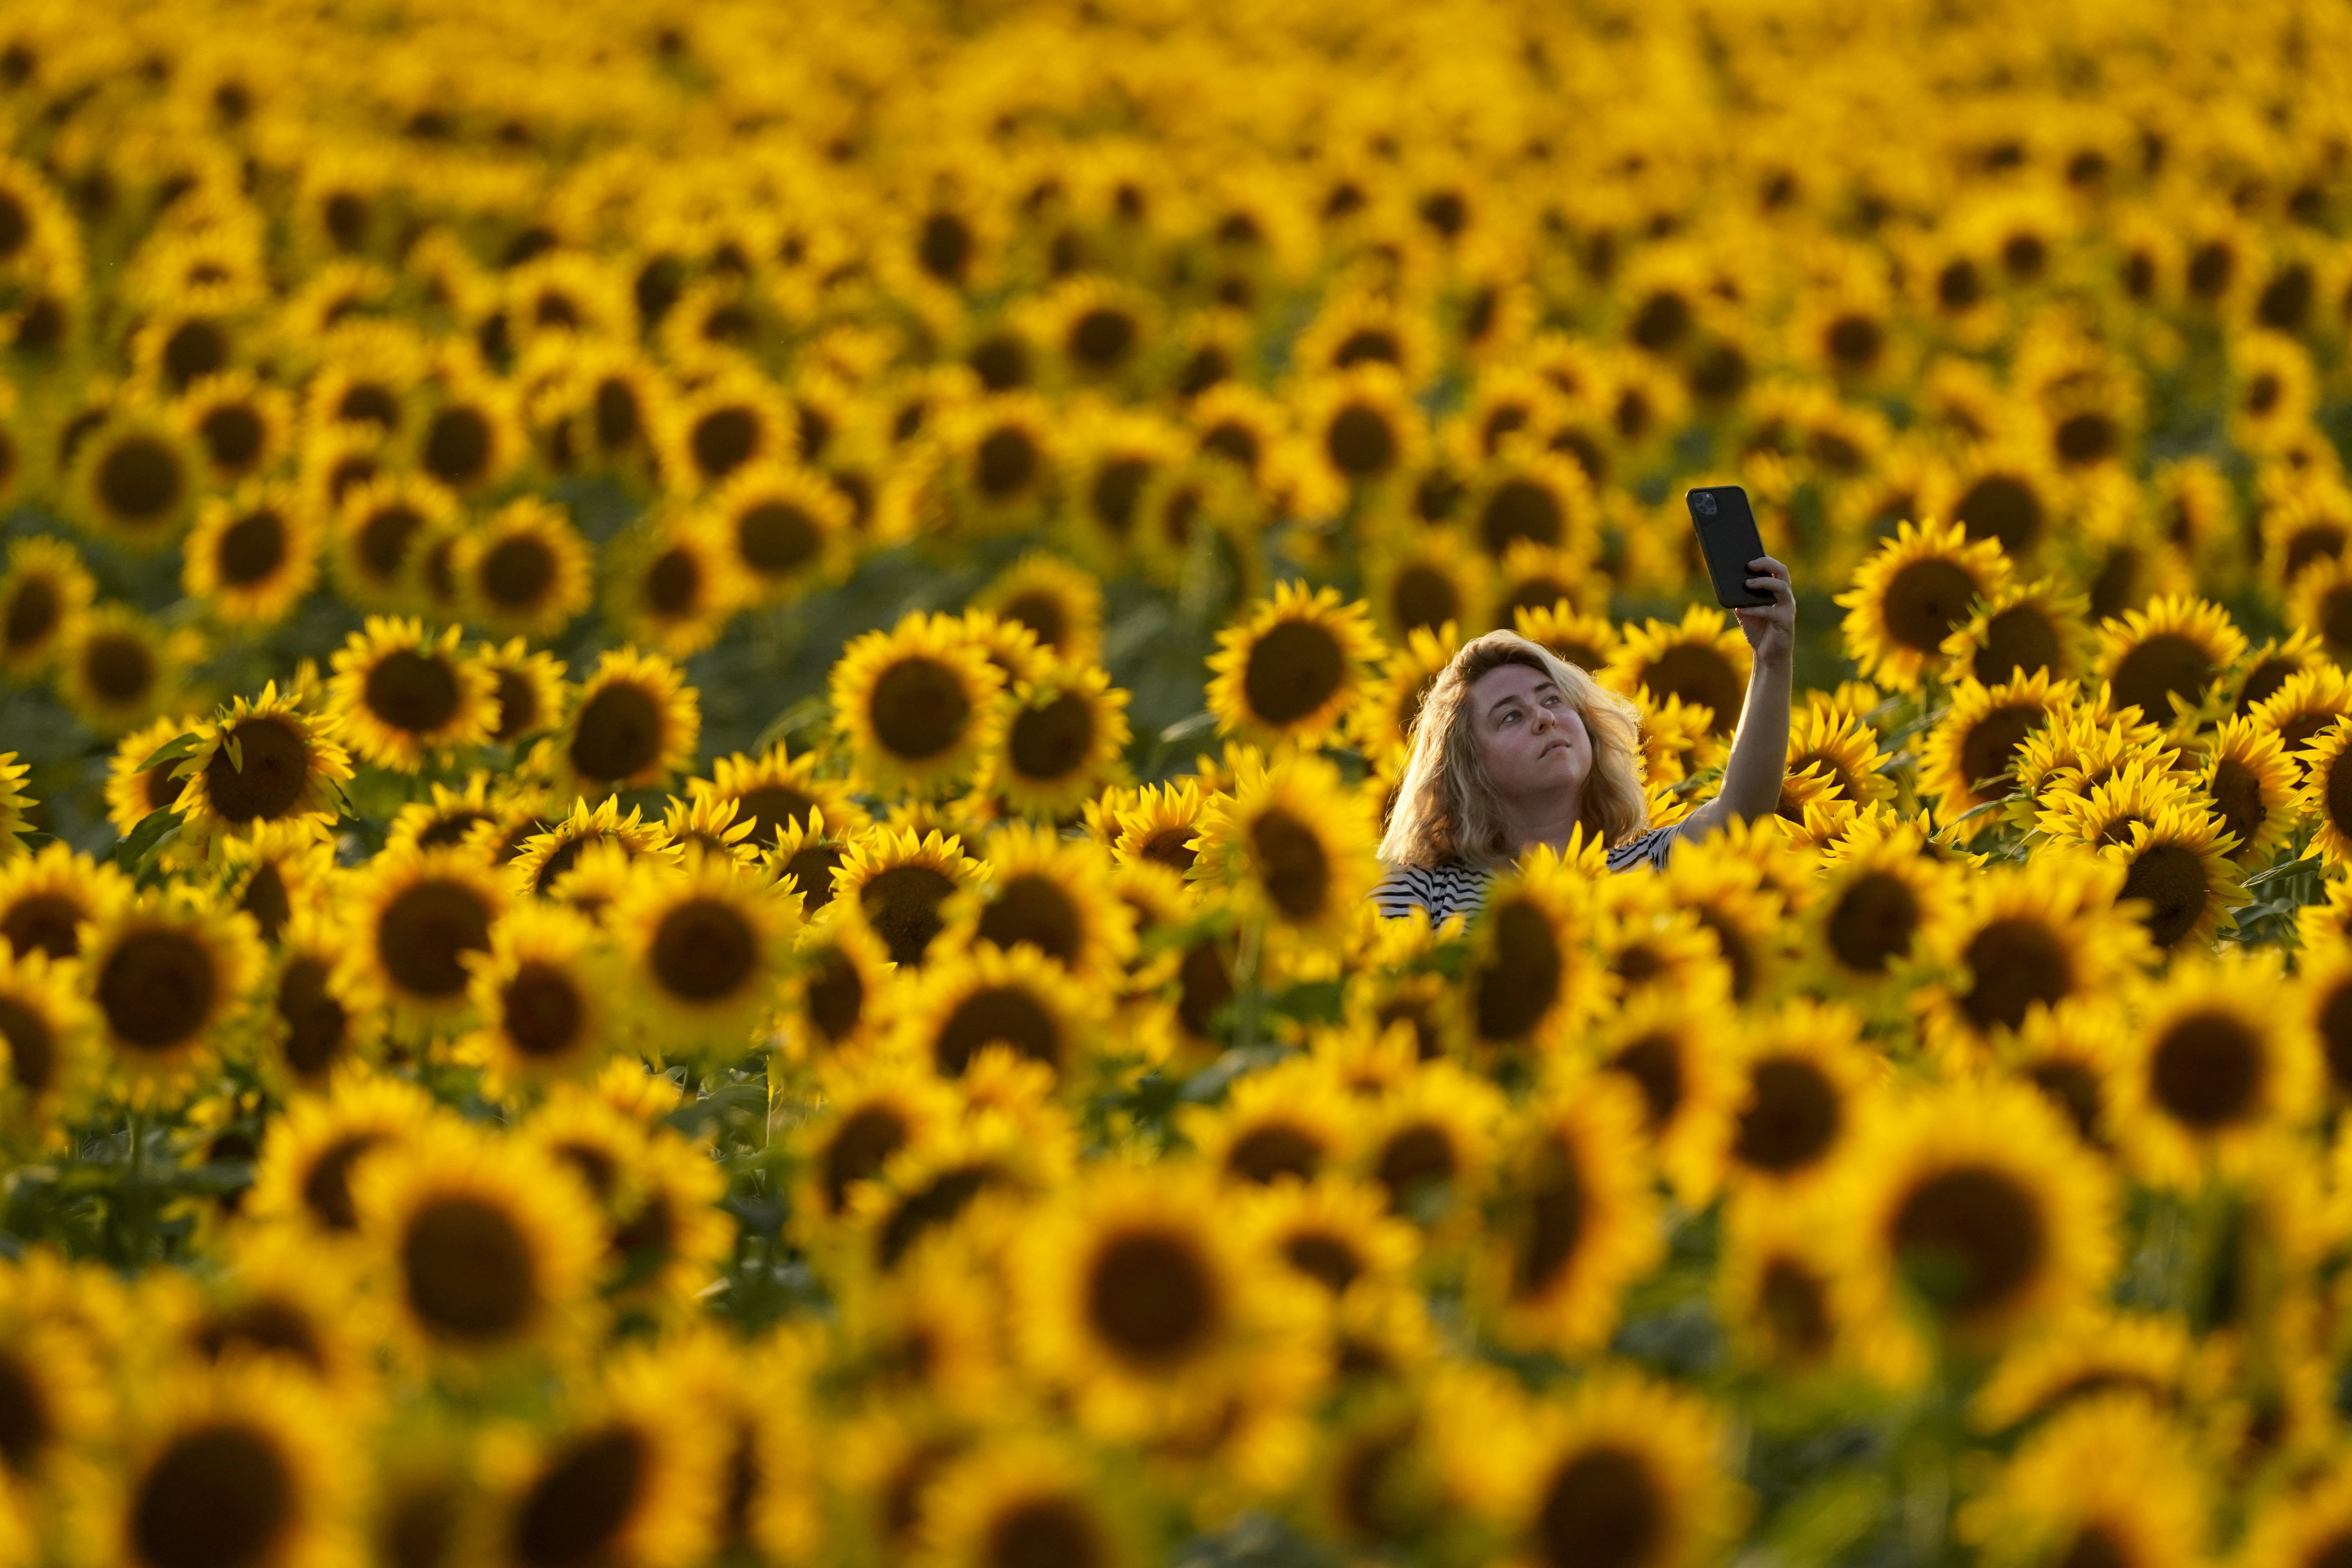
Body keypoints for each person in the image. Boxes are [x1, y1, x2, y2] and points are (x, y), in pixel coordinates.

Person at [1371, 555, 1797, 924]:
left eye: (1553, 700)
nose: (1543, 718)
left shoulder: (1649, 862)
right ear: (1469, 765)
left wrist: (1771, 660)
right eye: (1511, 716)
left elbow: (1743, 808)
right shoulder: (1423, 887)